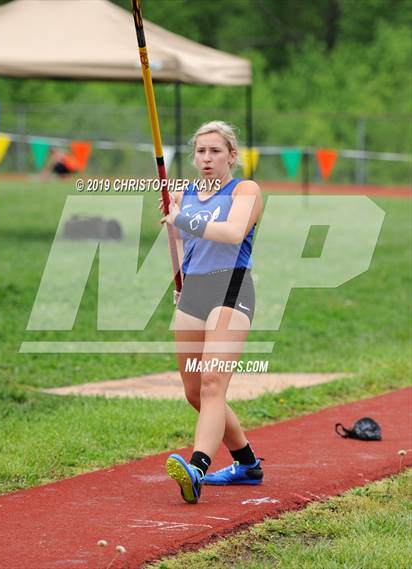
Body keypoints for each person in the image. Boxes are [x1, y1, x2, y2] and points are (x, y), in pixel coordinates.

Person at [160, 120, 264, 504]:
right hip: (194, 291)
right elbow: (187, 242)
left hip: (231, 286)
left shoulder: (246, 190)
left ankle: (197, 467)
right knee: (194, 391)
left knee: (212, 384)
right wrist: (175, 221)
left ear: (232, 156)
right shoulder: (188, 193)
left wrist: (181, 219)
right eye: (201, 151)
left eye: (215, 151)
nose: (206, 158)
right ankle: (247, 463)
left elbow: (233, 232)